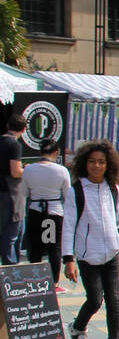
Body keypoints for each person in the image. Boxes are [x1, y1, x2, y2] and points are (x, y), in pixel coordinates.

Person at [62, 141, 119, 339]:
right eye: (92, 161)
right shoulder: (76, 191)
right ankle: (78, 327)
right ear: (84, 163)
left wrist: (118, 233)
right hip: (87, 255)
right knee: (95, 300)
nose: (96, 166)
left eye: (101, 162)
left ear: (108, 164)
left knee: (114, 301)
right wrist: (68, 259)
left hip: (111, 253)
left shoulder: (114, 189)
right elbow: (69, 225)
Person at [17, 138, 71, 288]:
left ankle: (35, 280)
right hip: (54, 212)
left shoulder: (28, 169)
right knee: (53, 247)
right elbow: (67, 195)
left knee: (35, 248)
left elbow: (24, 192)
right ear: (55, 152)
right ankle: (54, 282)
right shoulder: (61, 170)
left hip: (35, 210)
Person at [0, 110, 25, 264]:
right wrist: (26, 169)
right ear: (23, 130)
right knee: (12, 232)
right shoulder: (14, 144)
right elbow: (15, 172)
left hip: (2, 191)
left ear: (7, 125)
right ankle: (10, 268)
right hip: (12, 193)